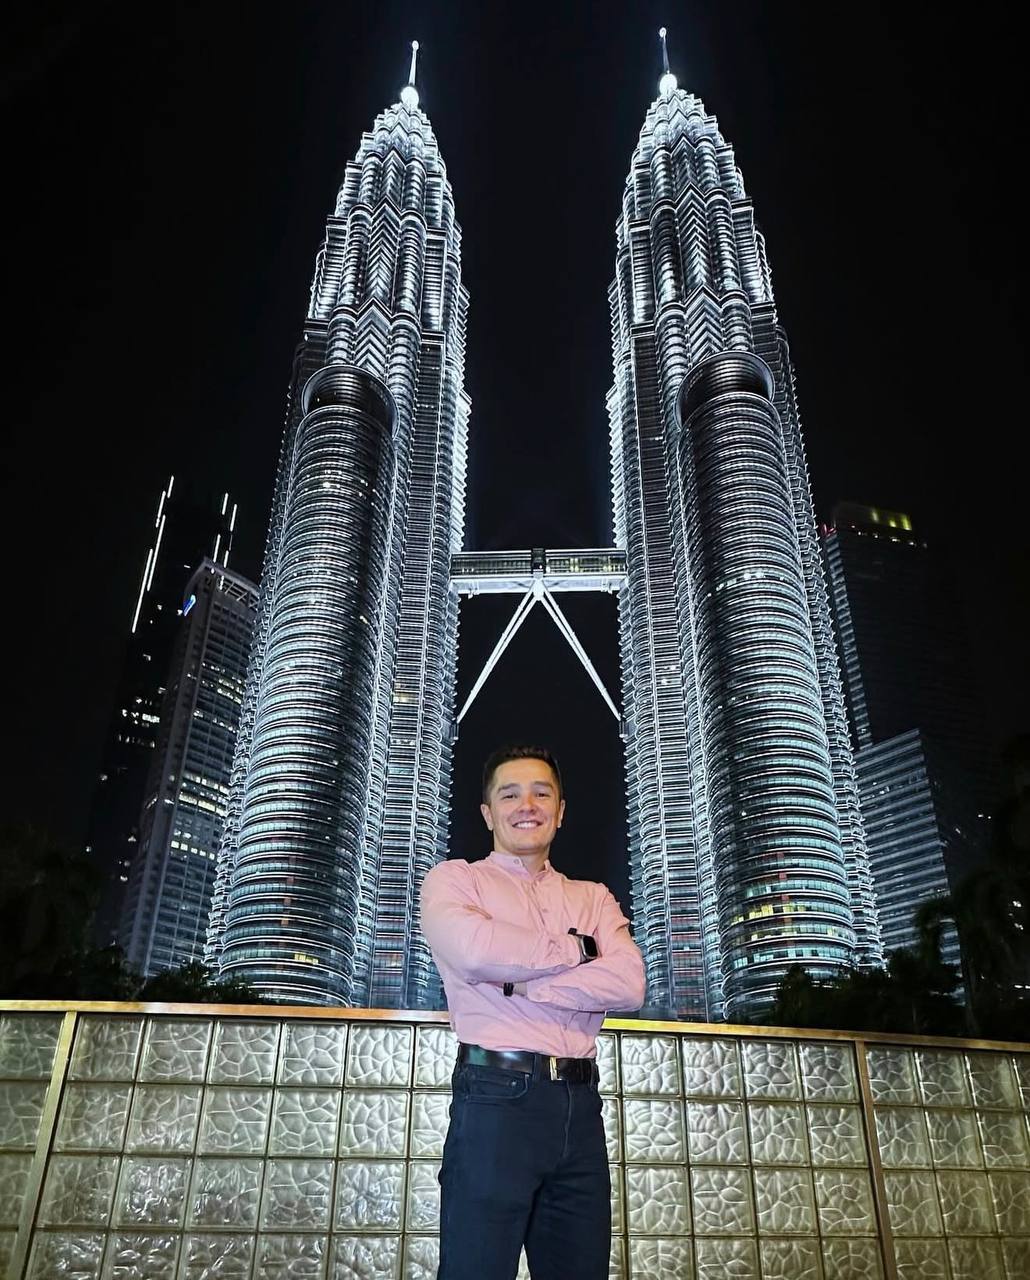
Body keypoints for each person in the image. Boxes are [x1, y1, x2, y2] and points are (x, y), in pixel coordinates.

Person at [420, 745, 646, 1280]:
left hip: (580, 1105)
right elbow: (474, 951)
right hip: (495, 1098)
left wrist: (518, 983)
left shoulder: (593, 896)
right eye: (510, 794)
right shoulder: (456, 881)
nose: (528, 805)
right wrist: (576, 951)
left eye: (542, 793)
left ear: (561, 810)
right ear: (487, 813)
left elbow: (629, 984)